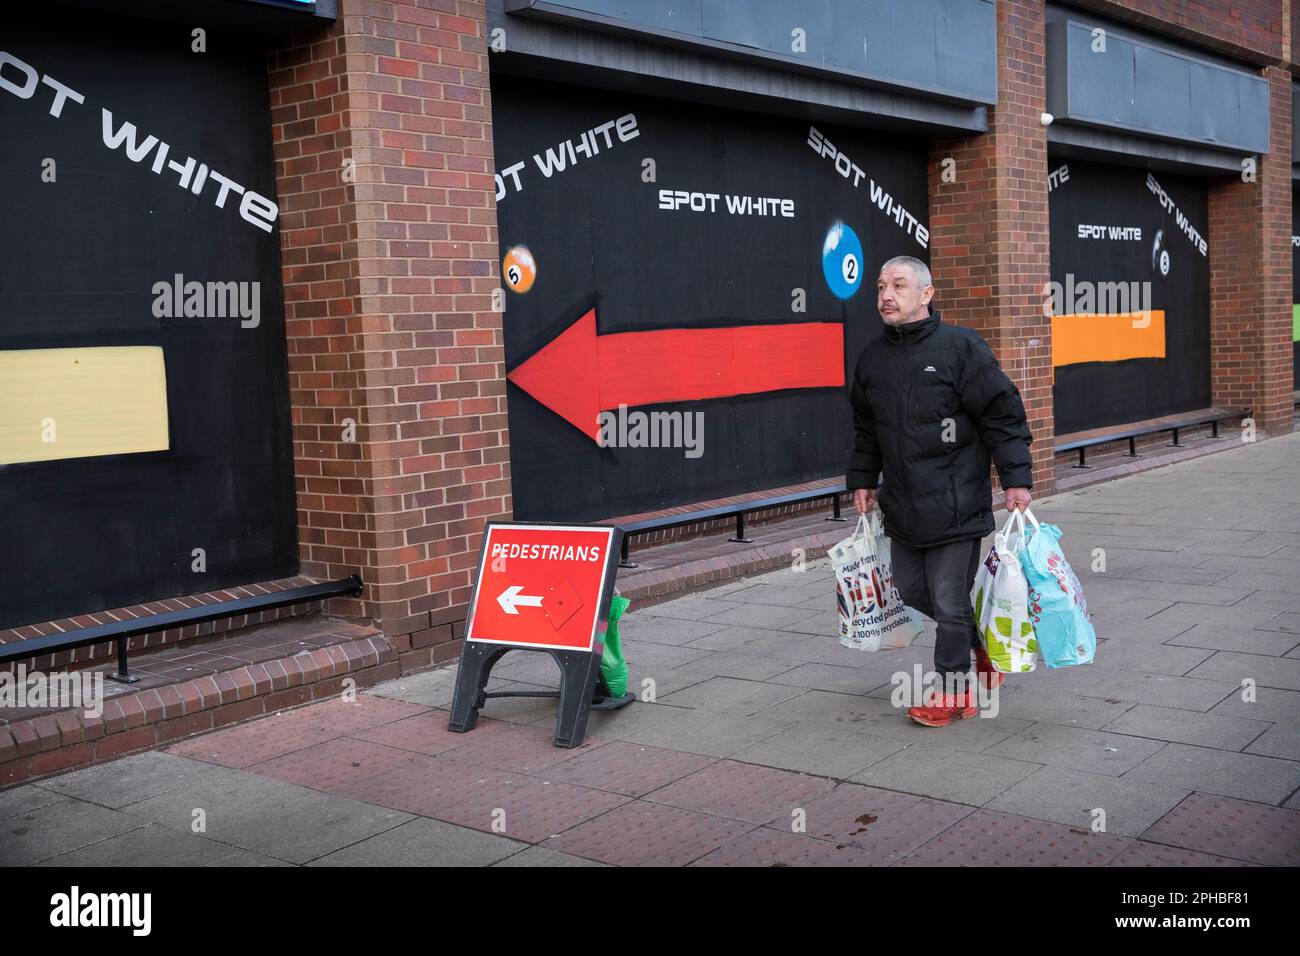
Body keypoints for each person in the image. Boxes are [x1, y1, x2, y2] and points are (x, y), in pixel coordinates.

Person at [847, 256, 1033, 727]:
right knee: (912, 592)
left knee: (950, 602)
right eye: (882, 287)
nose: (886, 295)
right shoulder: (872, 358)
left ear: (926, 294)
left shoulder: (961, 349)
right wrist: (864, 480)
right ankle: (984, 649)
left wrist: (1016, 478)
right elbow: (866, 429)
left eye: (899, 286)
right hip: (903, 506)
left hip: (957, 502)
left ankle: (954, 694)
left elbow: (1001, 413)